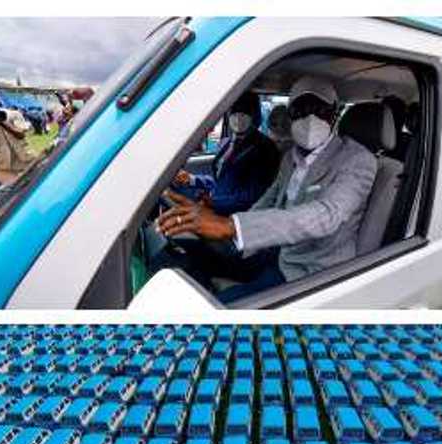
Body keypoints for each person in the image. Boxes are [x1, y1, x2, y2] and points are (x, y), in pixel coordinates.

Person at [158, 76, 378, 303]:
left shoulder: (358, 160)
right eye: (300, 110)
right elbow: (268, 200)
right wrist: (229, 229)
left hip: (312, 271)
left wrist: (232, 226)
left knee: (224, 305)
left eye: (320, 110)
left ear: (334, 114)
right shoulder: (291, 157)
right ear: (290, 115)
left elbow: (326, 215)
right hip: (276, 251)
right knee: (192, 257)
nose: (310, 118)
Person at [170, 92, 280, 217]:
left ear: (255, 115)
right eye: (234, 112)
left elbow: (252, 196)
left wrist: (214, 203)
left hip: (235, 217)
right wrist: (192, 179)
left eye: (245, 113)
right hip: (215, 207)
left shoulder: (265, 148)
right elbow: (222, 182)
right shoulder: (226, 143)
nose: (238, 118)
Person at [0, 102, 35, 186]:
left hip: (26, 160)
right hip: (4, 170)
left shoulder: (13, 114)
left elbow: (23, 132)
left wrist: (3, 120)